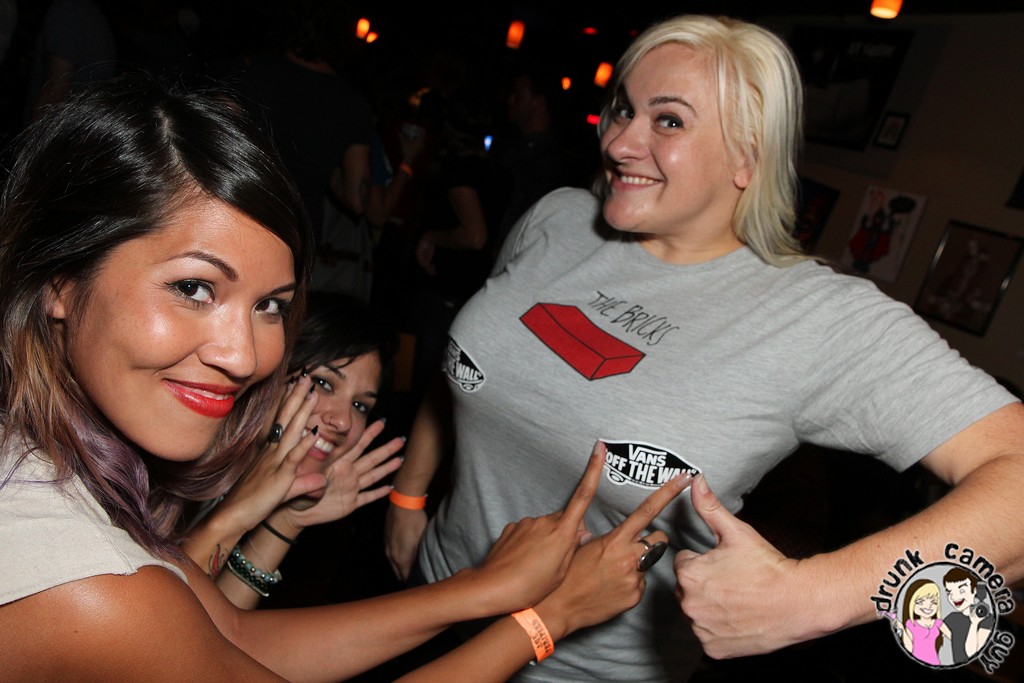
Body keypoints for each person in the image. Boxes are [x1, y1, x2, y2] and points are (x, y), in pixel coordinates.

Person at [384, 13, 1024, 682]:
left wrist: (810, 597)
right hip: (433, 598)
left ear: (748, 156)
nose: (619, 142)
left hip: (576, 668)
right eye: (623, 109)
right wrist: (409, 492)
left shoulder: (815, 318)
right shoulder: (559, 218)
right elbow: (472, 370)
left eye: (668, 121)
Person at [0, 71, 693, 681]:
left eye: (270, 306)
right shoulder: (91, 587)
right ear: (61, 279)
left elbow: (229, 634)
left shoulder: (57, 457)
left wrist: (484, 589)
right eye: (193, 288)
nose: (244, 357)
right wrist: (550, 617)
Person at [180, 290, 406, 608]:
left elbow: (217, 625)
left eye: (359, 405)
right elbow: (158, 620)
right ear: (272, 369)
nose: (343, 421)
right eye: (324, 383)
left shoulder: (252, 485)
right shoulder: (170, 462)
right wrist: (236, 514)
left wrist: (287, 520)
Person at [942, 567, 995, 663]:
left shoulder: (987, 619)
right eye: (949, 592)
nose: (954, 597)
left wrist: (974, 623)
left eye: (961, 590)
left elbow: (971, 653)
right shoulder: (952, 617)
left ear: (974, 590)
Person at [899, 579, 950, 666]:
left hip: (934, 663)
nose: (928, 606)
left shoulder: (938, 623)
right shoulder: (911, 624)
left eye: (934, 602)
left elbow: (954, 638)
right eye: (920, 602)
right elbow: (909, 649)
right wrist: (902, 629)